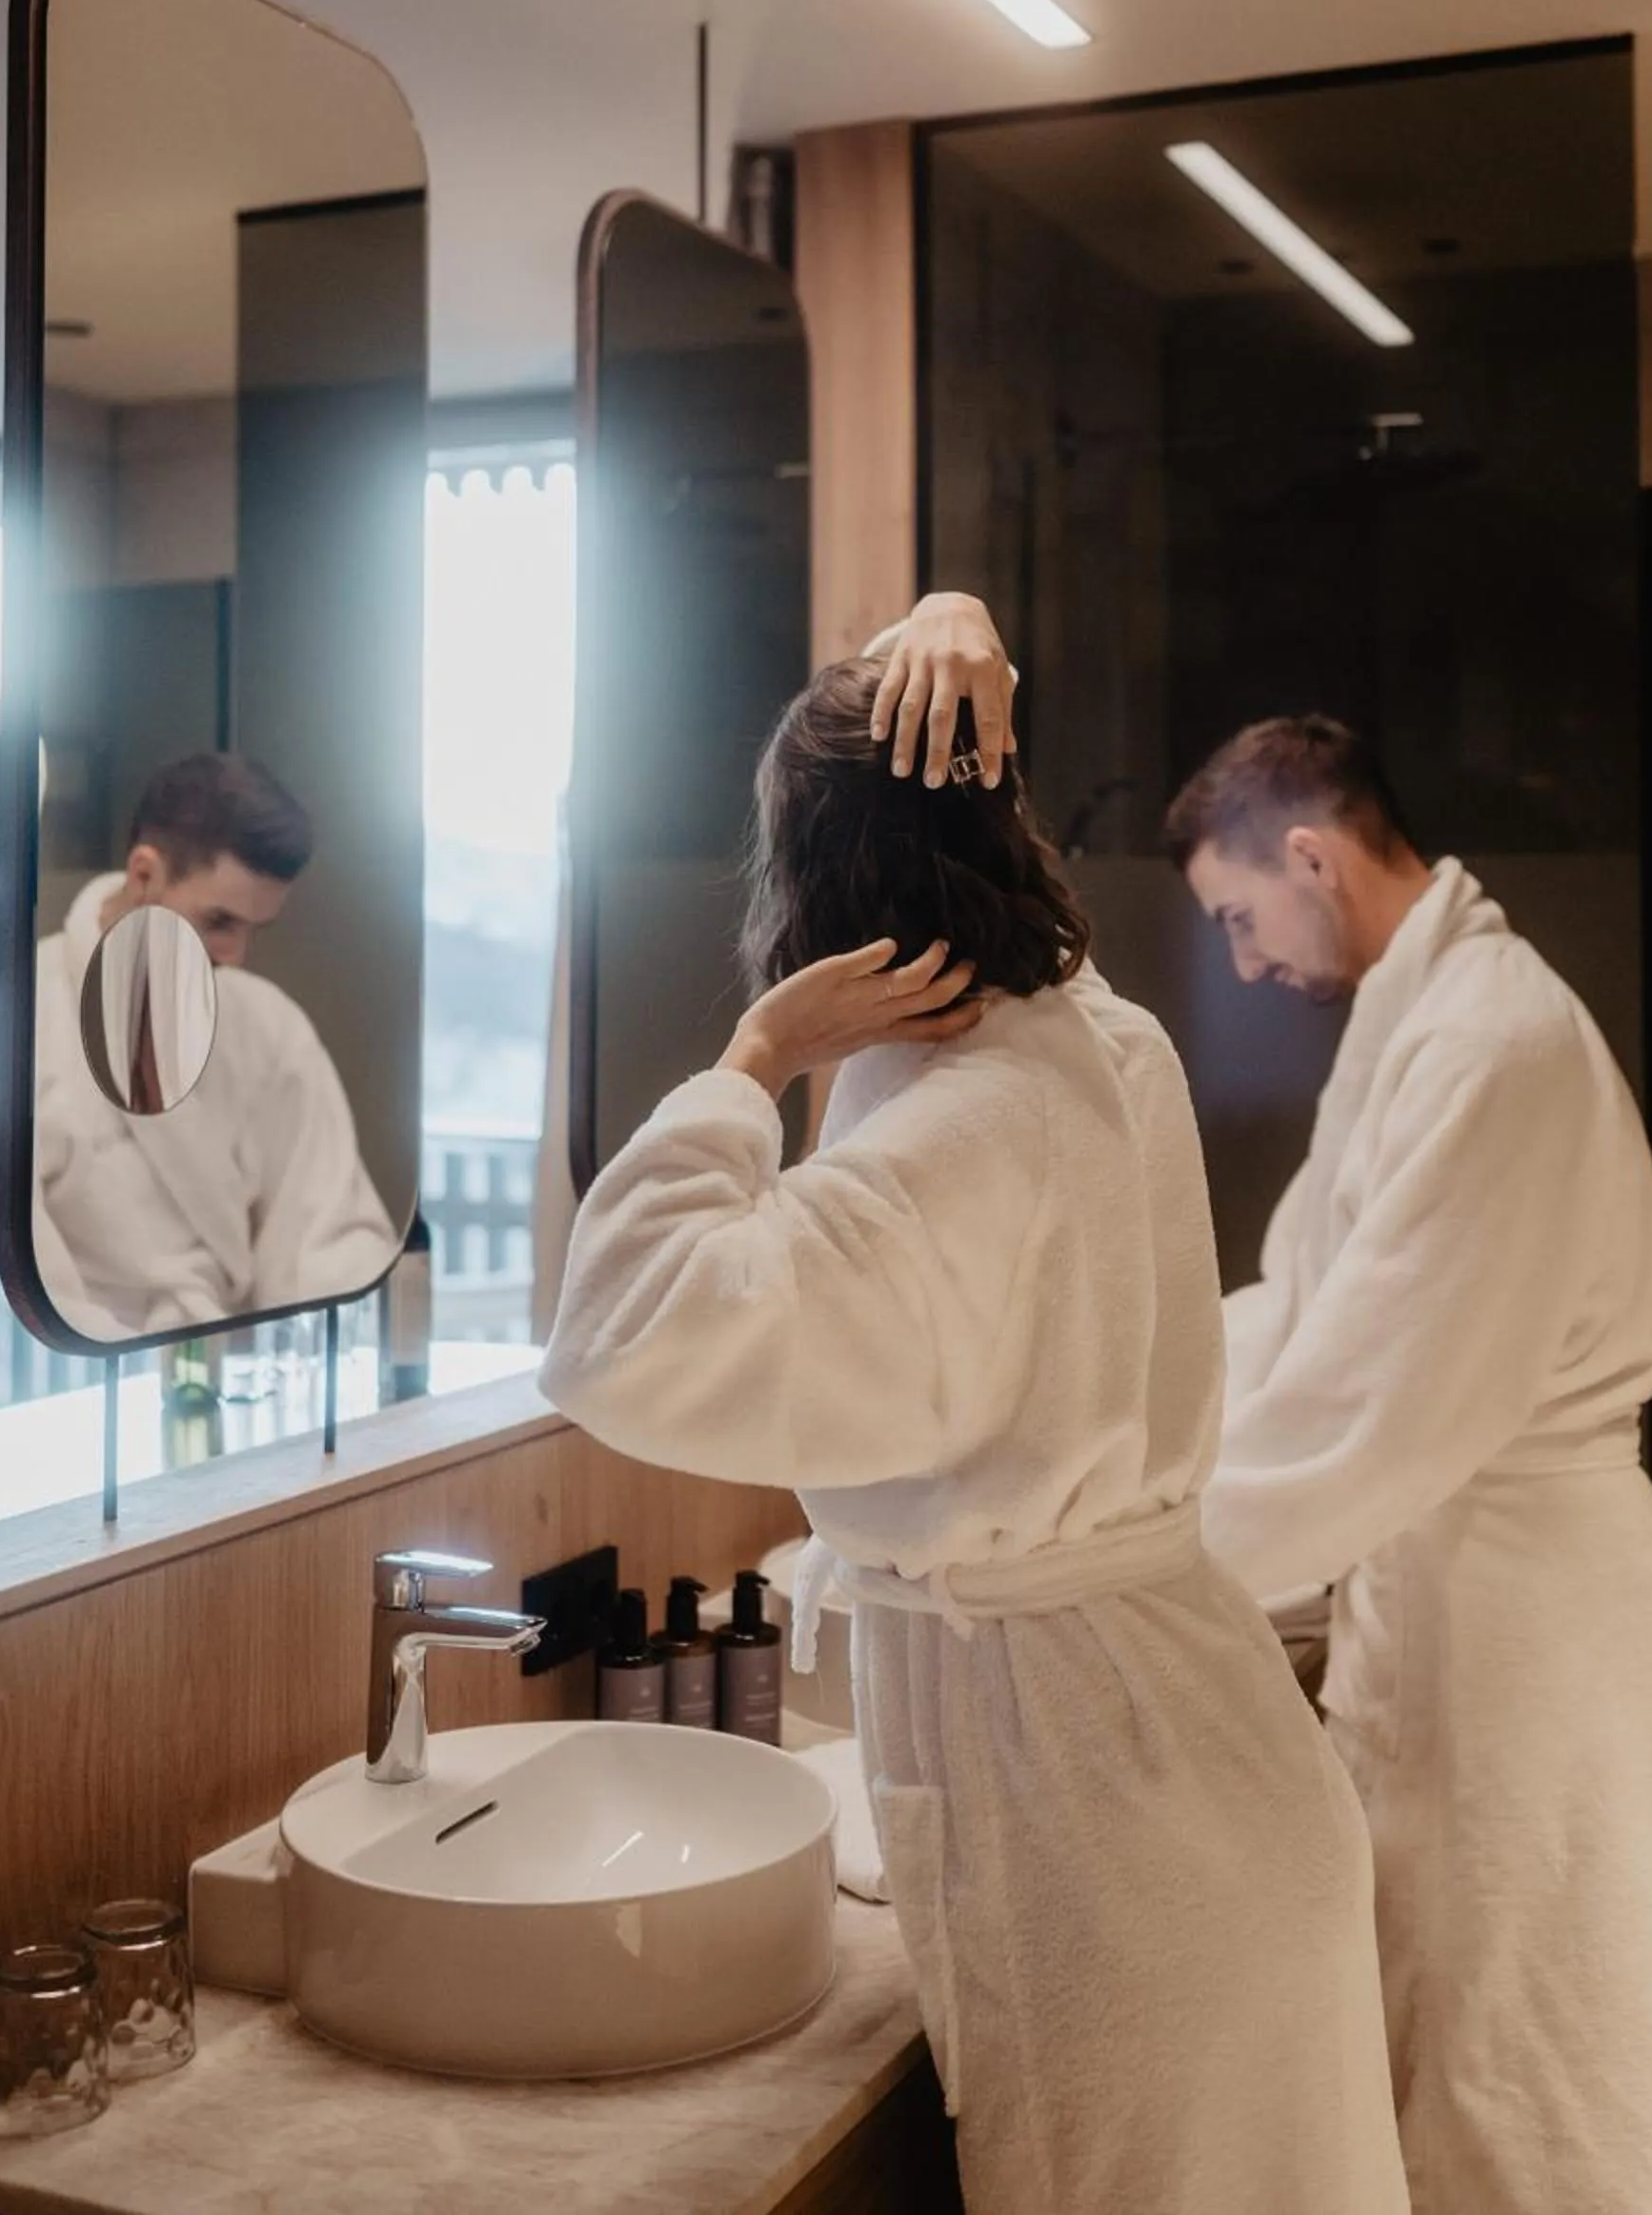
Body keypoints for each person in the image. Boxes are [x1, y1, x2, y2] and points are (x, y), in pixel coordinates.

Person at [869, 594, 1652, 2215]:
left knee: (1527, 2068)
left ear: (1313, 855)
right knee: (1451, 2050)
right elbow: (1299, 1313)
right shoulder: (1424, 1030)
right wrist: (1108, 1408)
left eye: (1243, 919)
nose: (1246, 962)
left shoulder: (1497, 1046)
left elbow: (1365, 1405)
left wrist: (1115, 1572)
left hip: (1531, 1628)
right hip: (1452, 1595)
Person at [544, 658, 1409, 2215]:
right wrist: (943, 653)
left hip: (1098, 1824)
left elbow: (615, 1330)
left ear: (814, 884)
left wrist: (758, 1055)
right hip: (1213, 1768)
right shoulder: (1092, 1043)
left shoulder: (944, 1150)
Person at [36, 753, 396, 1339]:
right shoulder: (26, 1019)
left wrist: (321, 1349)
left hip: (238, 1374)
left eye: (255, 930)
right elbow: (30, 1289)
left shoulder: (268, 1024)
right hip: (83, 1383)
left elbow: (325, 1231)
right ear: (145, 875)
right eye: (220, 922)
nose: (235, 956)